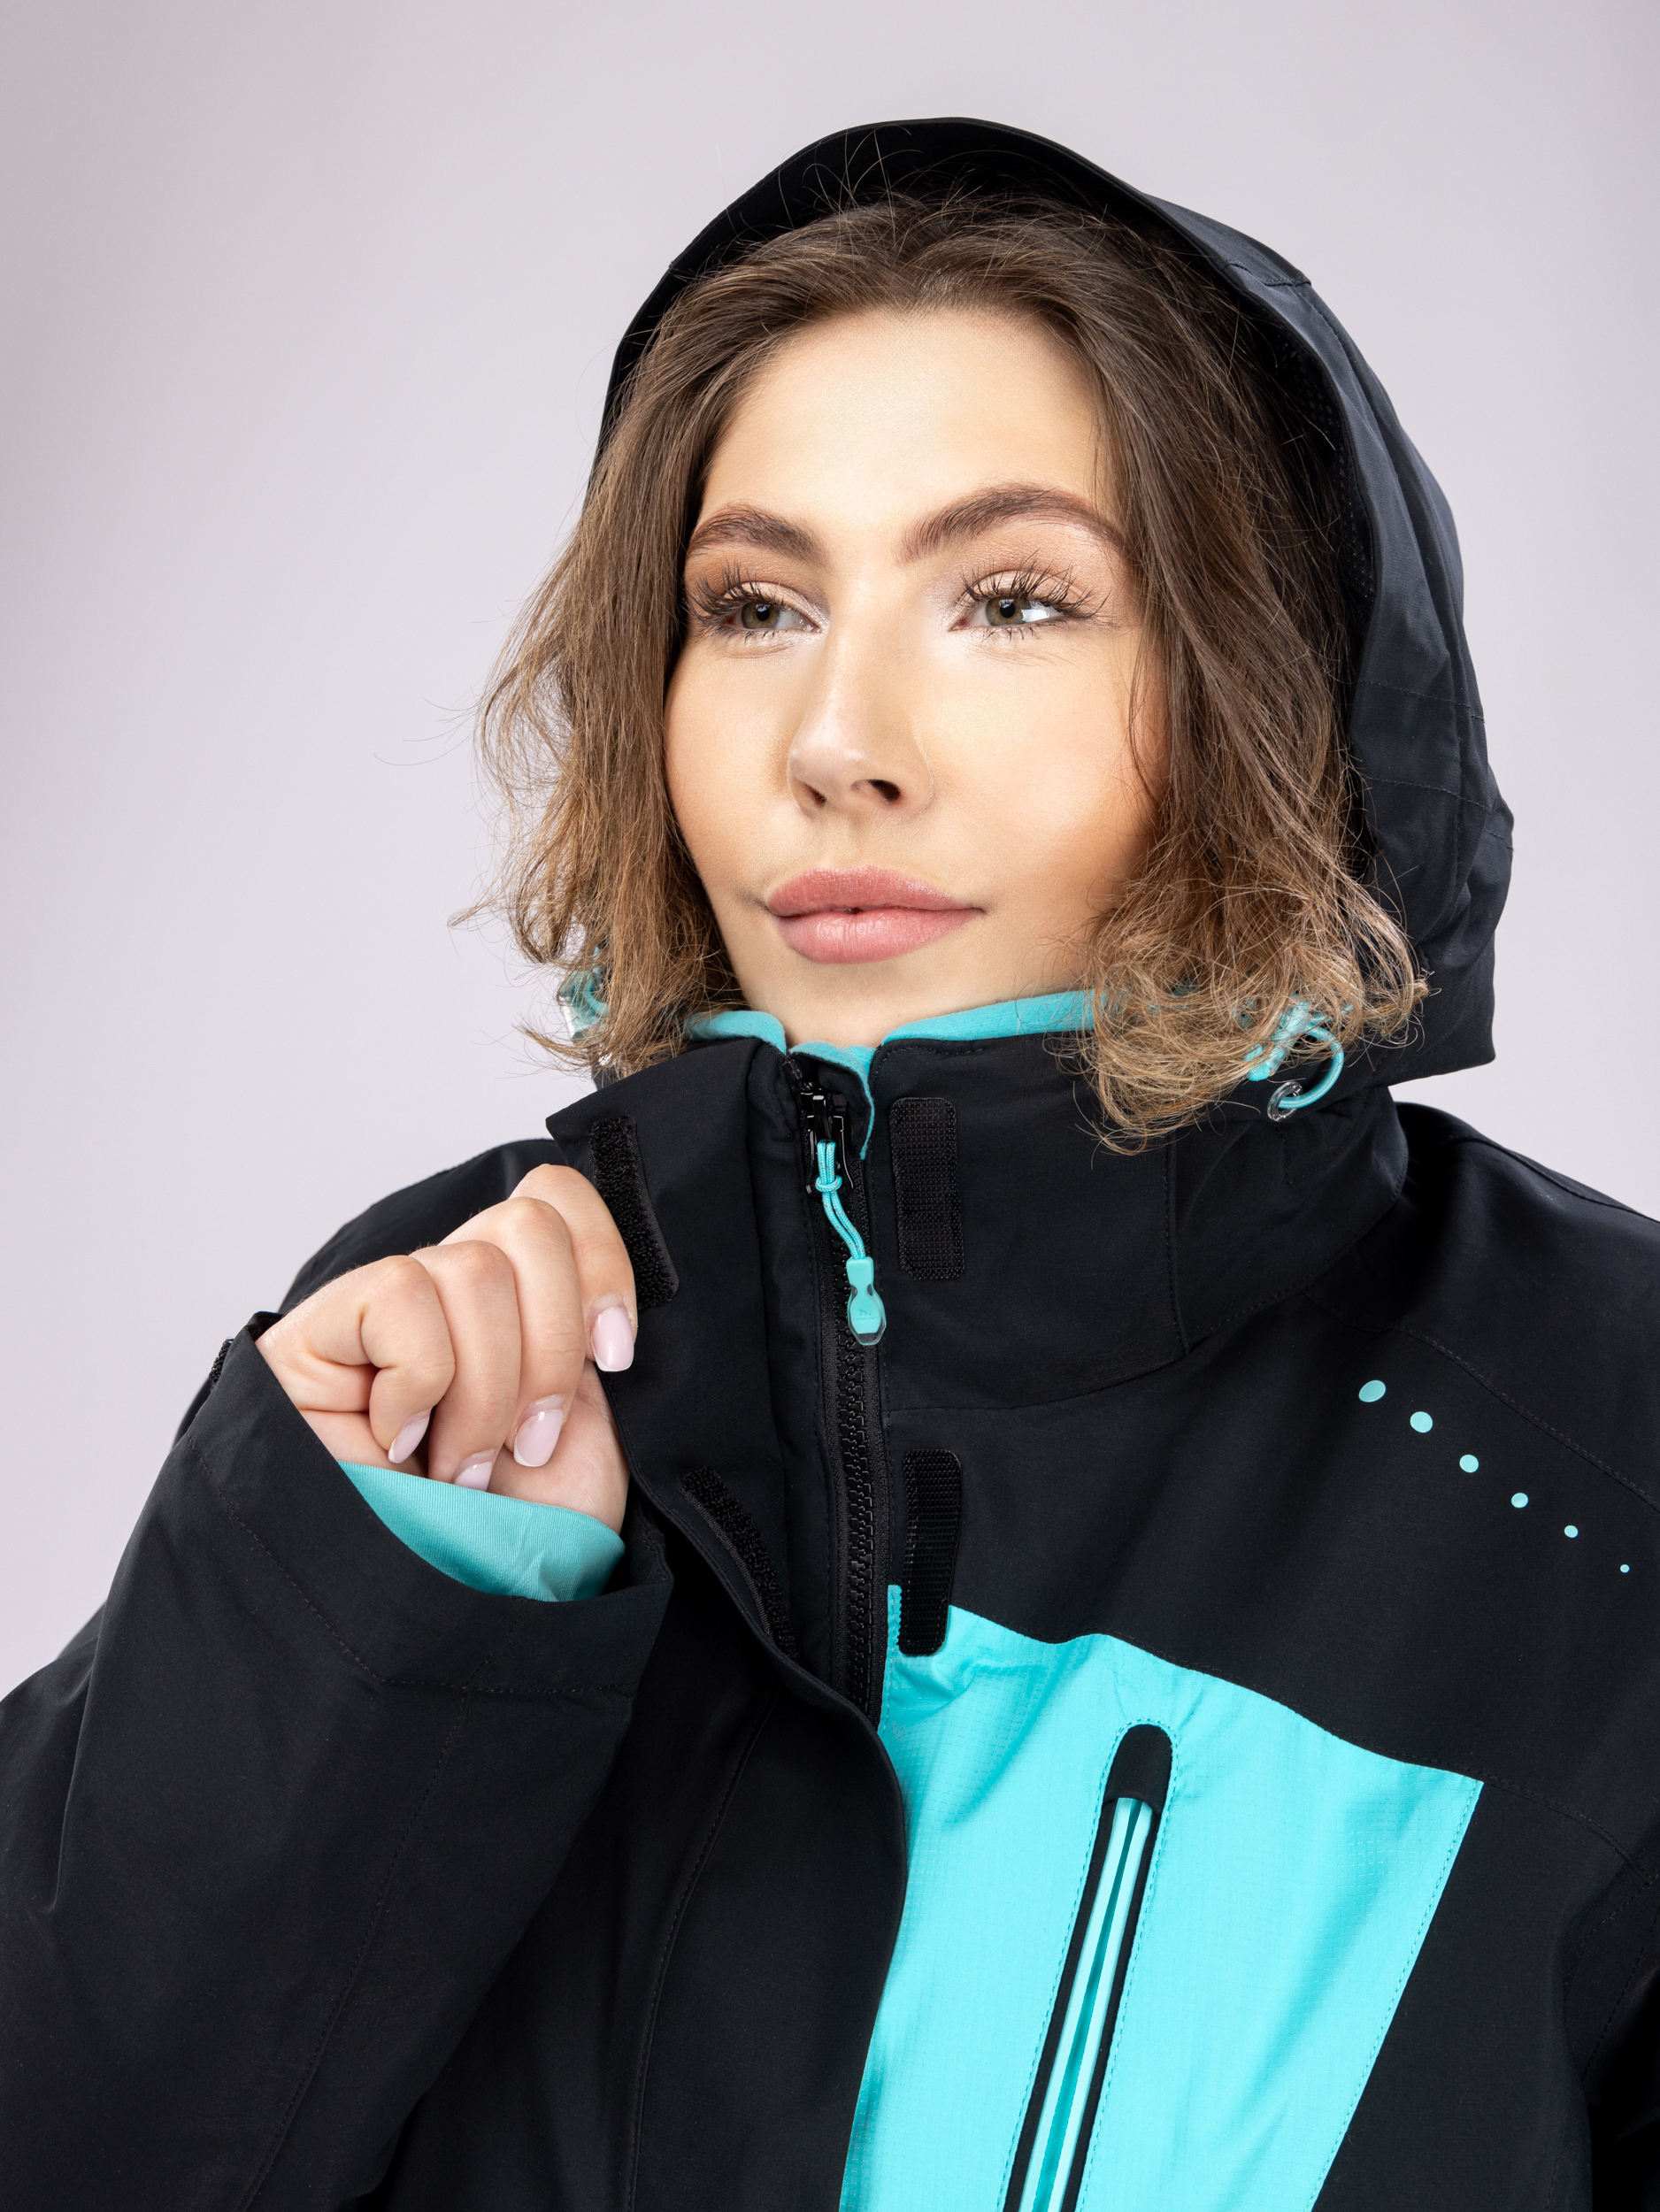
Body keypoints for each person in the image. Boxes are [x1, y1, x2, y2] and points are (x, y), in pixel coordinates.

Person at [3, 116, 1656, 2211]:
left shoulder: (1594, 1447)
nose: (833, 740)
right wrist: (362, 1627)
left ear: (1273, 687)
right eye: (754, 604)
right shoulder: (440, 1344)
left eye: (1011, 599)